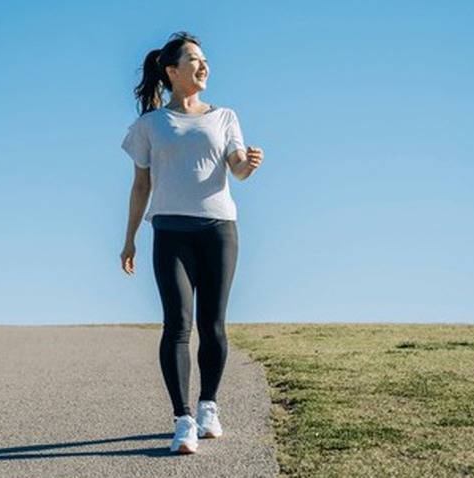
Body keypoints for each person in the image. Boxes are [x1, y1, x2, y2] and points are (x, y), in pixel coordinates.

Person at [119, 31, 264, 454]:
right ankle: (183, 419)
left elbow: (237, 169)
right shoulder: (150, 125)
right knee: (177, 325)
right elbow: (140, 185)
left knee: (213, 324)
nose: (204, 66)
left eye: (205, 60)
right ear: (172, 71)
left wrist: (249, 165)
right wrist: (129, 239)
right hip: (169, 232)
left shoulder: (225, 117)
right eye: (195, 59)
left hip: (219, 230)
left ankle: (208, 408)